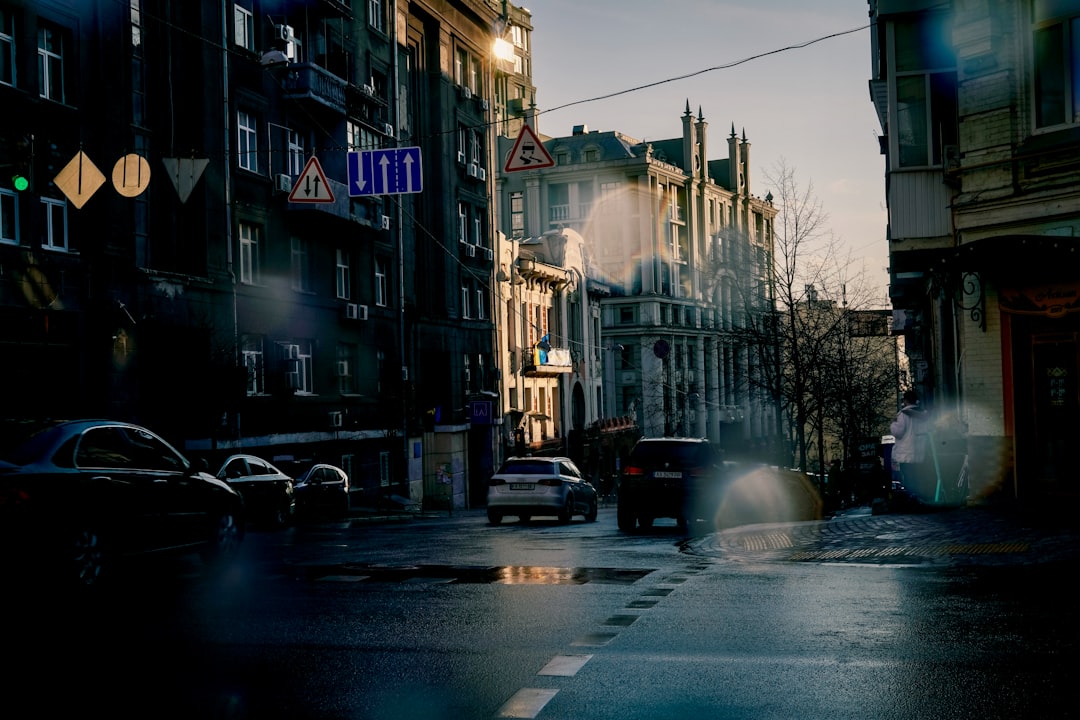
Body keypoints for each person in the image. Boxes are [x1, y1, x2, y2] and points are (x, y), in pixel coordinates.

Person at [889, 390, 931, 503]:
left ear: (906, 401)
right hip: (920, 452)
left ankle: (913, 499)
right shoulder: (923, 414)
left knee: (908, 478)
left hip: (906, 452)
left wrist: (893, 424)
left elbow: (899, 432)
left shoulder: (903, 415)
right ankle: (921, 497)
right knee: (919, 477)